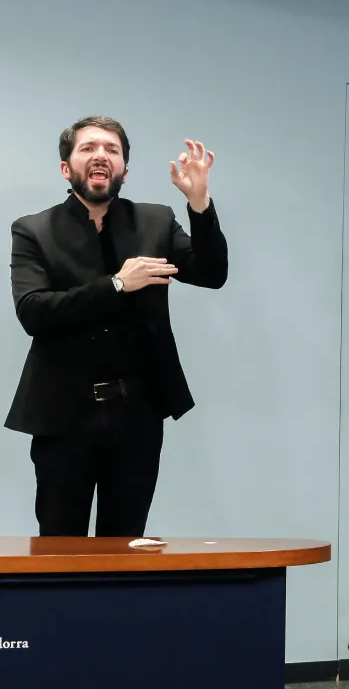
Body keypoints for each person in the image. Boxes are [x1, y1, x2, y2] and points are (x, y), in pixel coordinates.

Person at [6, 115, 229, 538]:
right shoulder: (34, 230)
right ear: (65, 167)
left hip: (138, 416)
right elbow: (34, 312)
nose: (101, 156)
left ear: (125, 168)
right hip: (62, 415)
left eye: (112, 150)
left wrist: (199, 205)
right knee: (60, 546)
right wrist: (117, 285)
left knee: (126, 546)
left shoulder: (155, 222)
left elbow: (212, 273)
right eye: (88, 148)